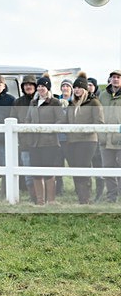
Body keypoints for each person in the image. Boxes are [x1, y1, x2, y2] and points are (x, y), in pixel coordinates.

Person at [25, 74, 66, 205]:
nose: (40, 88)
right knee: (36, 172)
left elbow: (61, 119)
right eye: (39, 86)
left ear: (48, 88)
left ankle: (51, 200)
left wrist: (49, 129)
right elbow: (27, 119)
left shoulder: (55, 102)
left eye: (43, 86)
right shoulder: (33, 103)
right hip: (35, 143)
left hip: (49, 143)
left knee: (49, 172)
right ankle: (40, 201)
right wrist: (30, 130)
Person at [66, 72, 104, 204]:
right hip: (72, 141)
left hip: (88, 141)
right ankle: (81, 197)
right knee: (75, 168)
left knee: (83, 166)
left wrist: (84, 130)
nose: (77, 90)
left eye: (79, 87)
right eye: (75, 88)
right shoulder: (71, 104)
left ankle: (85, 198)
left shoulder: (94, 102)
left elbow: (99, 122)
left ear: (85, 89)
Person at [10, 74, 38, 202]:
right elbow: (12, 119)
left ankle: (42, 197)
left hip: (40, 143)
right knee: (28, 172)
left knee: (41, 171)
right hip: (25, 142)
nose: (28, 87)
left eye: (31, 84)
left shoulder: (41, 100)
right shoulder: (18, 102)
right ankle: (33, 197)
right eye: (26, 84)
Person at [98, 69, 121, 203]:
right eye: (113, 77)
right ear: (110, 79)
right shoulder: (103, 96)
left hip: (119, 139)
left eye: (118, 77)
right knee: (107, 168)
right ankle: (111, 197)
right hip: (105, 139)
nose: (116, 79)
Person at [87, 77, 105, 201]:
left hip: (98, 137)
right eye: (87, 85)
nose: (89, 87)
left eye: (91, 85)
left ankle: (99, 192)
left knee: (98, 165)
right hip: (88, 139)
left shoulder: (99, 99)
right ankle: (89, 192)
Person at [54, 78, 73, 196]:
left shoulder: (75, 101)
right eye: (63, 86)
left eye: (67, 86)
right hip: (58, 139)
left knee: (73, 164)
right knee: (57, 164)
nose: (65, 88)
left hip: (70, 140)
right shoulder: (56, 101)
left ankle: (79, 189)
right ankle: (58, 190)